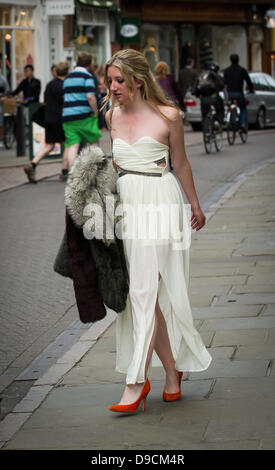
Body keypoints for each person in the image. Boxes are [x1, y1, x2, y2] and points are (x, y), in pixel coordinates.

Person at [102, 49, 212, 413]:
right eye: (110, 80)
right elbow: (115, 168)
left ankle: (134, 384)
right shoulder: (111, 116)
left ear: (138, 80)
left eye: (120, 80)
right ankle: (171, 372)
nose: (113, 87)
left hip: (161, 204)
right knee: (145, 295)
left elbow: (180, 163)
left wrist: (195, 204)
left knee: (143, 291)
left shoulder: (170, 115)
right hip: (128, 208)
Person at [23, 61, 70, 183]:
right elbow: (66, 102)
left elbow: (44, 102)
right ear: (67, 72)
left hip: (48, 119)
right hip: (59, 119)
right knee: (68, 144)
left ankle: (32, 165)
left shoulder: (49, 85)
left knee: (50, 145)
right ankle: (64, 173)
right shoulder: (64, 85)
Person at [62, 52, 102, 169]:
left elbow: (65, 96)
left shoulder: (68, 77)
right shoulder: (87, 77)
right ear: (89, 64)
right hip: (84, 116)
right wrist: (95, 111)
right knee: (94, 141)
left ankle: (73, 174)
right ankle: (95, 169)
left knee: (73, 145)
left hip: (67, 116)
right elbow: (90, 96)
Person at [223, 53, 254, 130]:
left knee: (229, 107)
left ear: (230, 60)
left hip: (230, 93)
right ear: (238, 60)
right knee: (243, 108)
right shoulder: (242, 70)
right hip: (239, 93)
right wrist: (251, 90)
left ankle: (230, 121)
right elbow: (248, 81)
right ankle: (242, 123)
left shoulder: (227, 70)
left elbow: (224, 83)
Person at [195, 63, 225, 131]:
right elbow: (222, 86)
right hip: (214, 97)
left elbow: (195, 87)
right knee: (220, 110)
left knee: (204, 115)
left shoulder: (201, 75)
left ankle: (205, 133)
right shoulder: (215, 75)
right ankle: (218, 122)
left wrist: (198, 95)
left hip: (203, 98)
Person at [0, 72, 10, 147]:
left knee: (1, 122)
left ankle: (1, 139)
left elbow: (7, 90)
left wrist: (5, 97)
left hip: (1, 102)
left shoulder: (2, 79)